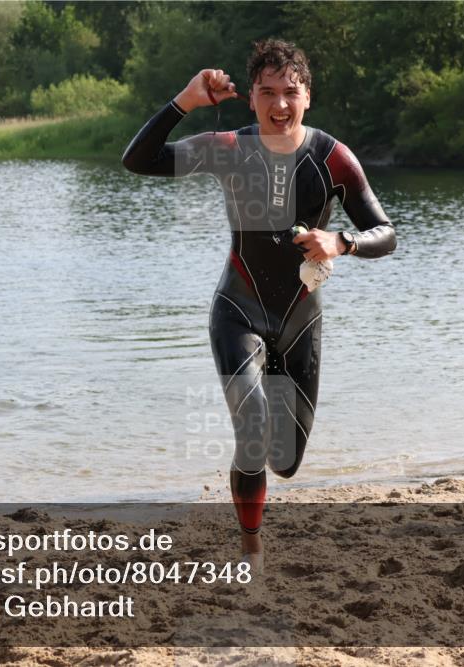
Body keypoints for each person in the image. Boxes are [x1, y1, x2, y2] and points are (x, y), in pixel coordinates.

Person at [122, 40, 396, 569]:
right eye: (267, 93)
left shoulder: (333, 157)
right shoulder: (230, 147)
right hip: (238, 311)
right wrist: (184, 102)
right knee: (250, 430)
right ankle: (252, 550)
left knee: (285, 462)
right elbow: (140, 161)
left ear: (307, 96)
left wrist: (342, 242)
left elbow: (385, 233)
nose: (279, 105)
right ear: (250, 98)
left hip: (299, 320)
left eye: (290, 92)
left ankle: (265, 472)